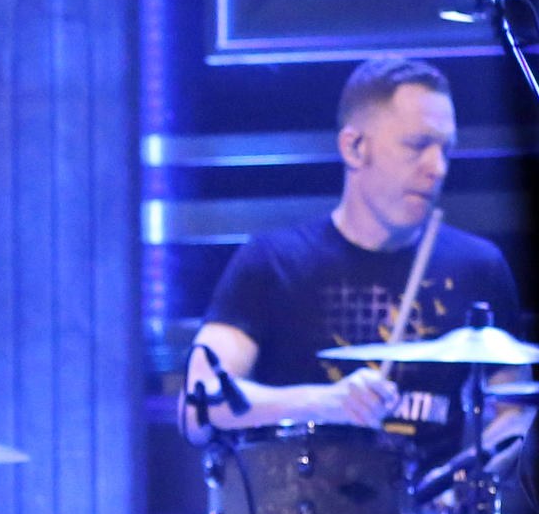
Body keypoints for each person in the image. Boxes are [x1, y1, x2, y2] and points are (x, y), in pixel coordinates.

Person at [182, 55, 527, 461]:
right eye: (417, 146)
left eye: (445, 150)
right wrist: (322, 402)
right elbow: (198, 409)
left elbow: (515, 410)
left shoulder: (479, 268)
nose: (437, 168)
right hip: (298, 513)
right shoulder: (272, 263)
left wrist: (462, 480)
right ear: (355, 147)